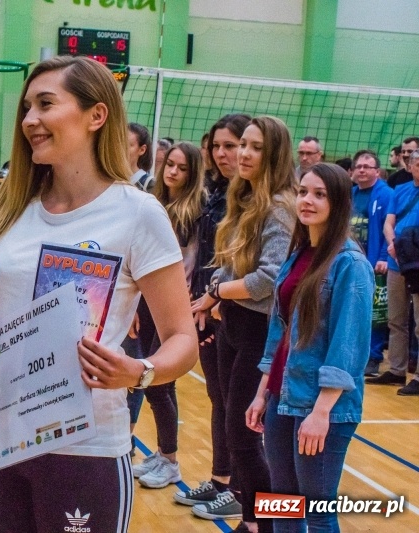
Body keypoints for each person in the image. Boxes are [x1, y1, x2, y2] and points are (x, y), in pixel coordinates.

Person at [0, 55, 198, 533]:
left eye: (45, 104)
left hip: (83, 448)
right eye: (26, 109)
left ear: (96, 116)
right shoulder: (9, 206)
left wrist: (139, 372)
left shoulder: (138, 214)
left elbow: (182, 339)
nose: (29, 121)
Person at [246, 163, 374, 532]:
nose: (307, 200)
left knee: (316, 512)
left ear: (339, 204)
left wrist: (321, 414)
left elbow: (347, 347)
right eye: (303, 191)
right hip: (282, 398)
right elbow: (280, 332)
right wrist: (261, 394)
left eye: (319, 194)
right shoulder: (299, 253)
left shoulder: (351, 263)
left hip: (322, 408)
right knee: (283, 502)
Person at [191, 116, 297, 533]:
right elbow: (231, 266)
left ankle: (266, 525)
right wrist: (218, 291)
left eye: (254, 147)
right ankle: (253, 521)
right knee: (237, 433)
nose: (243, 154)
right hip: (233, 324)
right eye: (243, 146)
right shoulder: (246, 198)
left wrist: (216, 292)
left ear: (273, 154)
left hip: (260, 332)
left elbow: (269, 279)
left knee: (246, 436)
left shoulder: (280, 207)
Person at [173, 113, 250, 516]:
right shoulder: (219, 193)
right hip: (209, 307)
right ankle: (224, 480)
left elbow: (258, 268)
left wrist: (219, 298)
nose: (222, 154)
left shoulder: (260, 201)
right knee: (220, 399)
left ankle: (245, 494)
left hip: (240, 315)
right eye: (216, 146)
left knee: (242, 410)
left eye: (232, 145)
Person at [132, 142, 205, 490]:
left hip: (172, 302)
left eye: (182, 168)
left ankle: (171, 460)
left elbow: (187, 264)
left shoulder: (194, 211)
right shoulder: (156, 204)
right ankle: (164, 453)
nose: (173, 172)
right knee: (154, 384)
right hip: (147, 301)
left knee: (159, 383)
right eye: (169, 165)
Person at [368, 149, 419, 390]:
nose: (418, 165)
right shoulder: (400, 190)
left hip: (416, 264)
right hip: (397, 261)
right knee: (395, 319)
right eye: (415, 162)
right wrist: (393, 245)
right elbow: (389, 222)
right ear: (409, 165)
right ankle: (397, 371)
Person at [123, 122, 155, 458]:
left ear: (141, 150)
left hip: (140, 294)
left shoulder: (148, 189)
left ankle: (127, 436)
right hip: (114, 292)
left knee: (136, 366)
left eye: (127, 144)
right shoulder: (111, 186)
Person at [350, 150, 393, 376]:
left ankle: (374, 356)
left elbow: (391, 227)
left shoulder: (386, 195)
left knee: (375, 311)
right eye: (358, 167)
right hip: (351, 261)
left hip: (375, 262)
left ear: (377, 171)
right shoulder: (351, 193)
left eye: (367, 167)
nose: (362, 170)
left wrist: (384, 257)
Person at [127, 122, 153, 191]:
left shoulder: (148, 184)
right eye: (119, 143)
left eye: (127, 145)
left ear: (142, 150)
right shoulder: (107, 180)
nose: (121, 148)